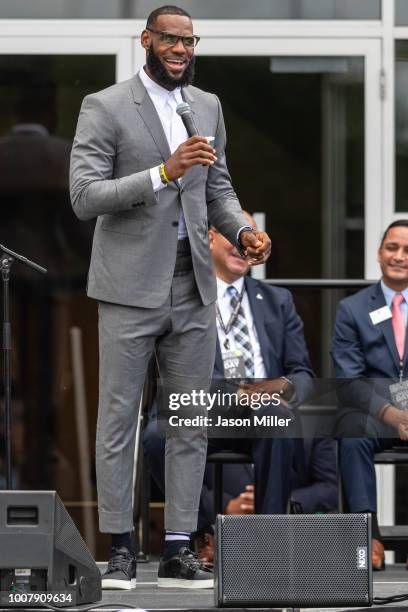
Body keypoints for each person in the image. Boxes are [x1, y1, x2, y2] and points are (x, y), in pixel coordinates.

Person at [69, 5, 271, 590]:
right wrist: (163, 171)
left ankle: (180, 546)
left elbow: (219, 185)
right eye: (170, 39)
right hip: (129, 289)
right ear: (147, 40)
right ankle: (122, 547)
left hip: (193, 286)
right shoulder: (105, 106)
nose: (181, 48)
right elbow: (85, 196)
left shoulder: (206, 106)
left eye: (189, 40)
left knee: (188, 420)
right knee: (120, 422)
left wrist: (241, 230)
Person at [144, 211, 315, 560]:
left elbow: (303, 374)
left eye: (251, 235)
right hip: (206, 405)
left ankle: (269, 545)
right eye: (233, 234)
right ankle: (207, 527)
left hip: (262, 409)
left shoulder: (278, 301)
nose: (244, 243)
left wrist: (274, 389)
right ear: (208, 238)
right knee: (155, 436)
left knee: (277, 420)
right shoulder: (181, 295)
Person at [332, 219, 408, 571]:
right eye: (392, 248)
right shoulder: (353, 309)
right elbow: (349, 380)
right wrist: (391, 414)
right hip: (379, 414)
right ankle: (369, 538)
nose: (399, 256)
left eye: (407, 250)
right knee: (351, 430)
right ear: (379, 254)